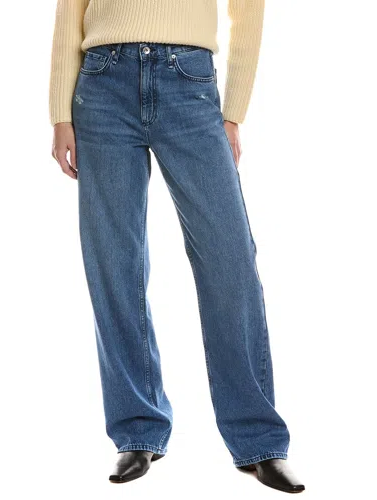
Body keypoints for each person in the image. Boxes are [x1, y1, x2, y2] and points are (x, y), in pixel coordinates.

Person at [49, 0, 305, 493]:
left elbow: (248, 11)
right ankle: (137, 430)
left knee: (230, 263)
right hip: (101, 84)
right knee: (113, 265)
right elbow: (69, 10)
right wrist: (60, 112)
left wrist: (234, 112)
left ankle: (259, 441)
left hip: (188, 82)